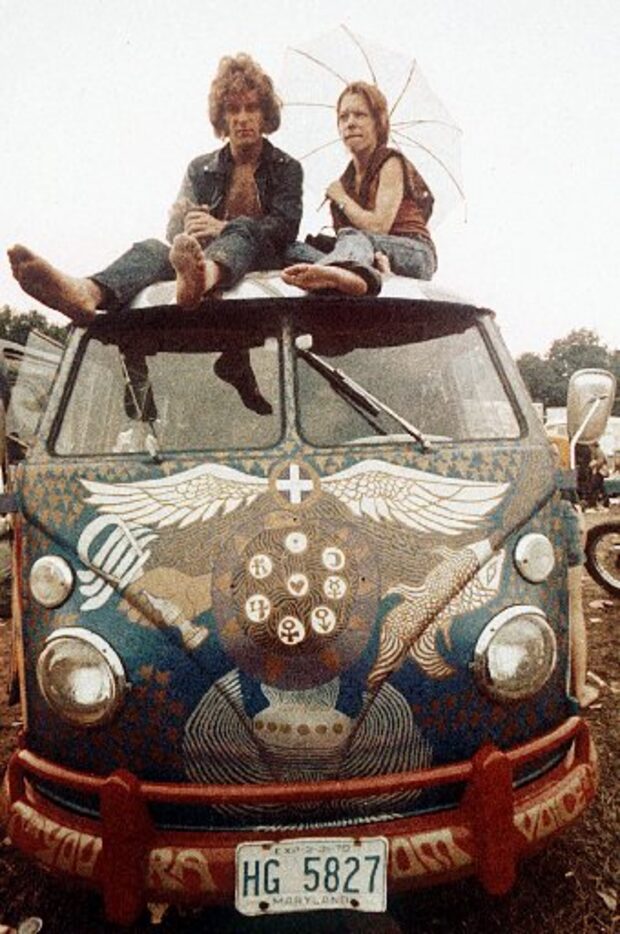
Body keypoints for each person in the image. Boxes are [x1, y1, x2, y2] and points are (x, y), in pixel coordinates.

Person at [8, 53, 303, 322]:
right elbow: (175, 237)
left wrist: (220, 227)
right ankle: (88, 291)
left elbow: (285, 228)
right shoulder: (201, 167)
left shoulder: (286, 167)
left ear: (264, 114)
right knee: (152, 248)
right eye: (233, 109)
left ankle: (203, 279)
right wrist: (185, 224)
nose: (242, 118)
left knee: (243, 229)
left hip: (262, 262)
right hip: (197, 264)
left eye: (251, 107)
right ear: (222, 117)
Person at [281, 81, 437, 297]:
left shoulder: (390, 162)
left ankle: (349, 274)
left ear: (378, 123)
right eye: (343, 117)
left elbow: (378, 226)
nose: (350, 123)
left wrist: (342, 198)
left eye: (360, 115)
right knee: (290, 248)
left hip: (414, 251)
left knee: (353, 237)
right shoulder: (347, 179)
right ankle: (366, 271)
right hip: (365, 250)